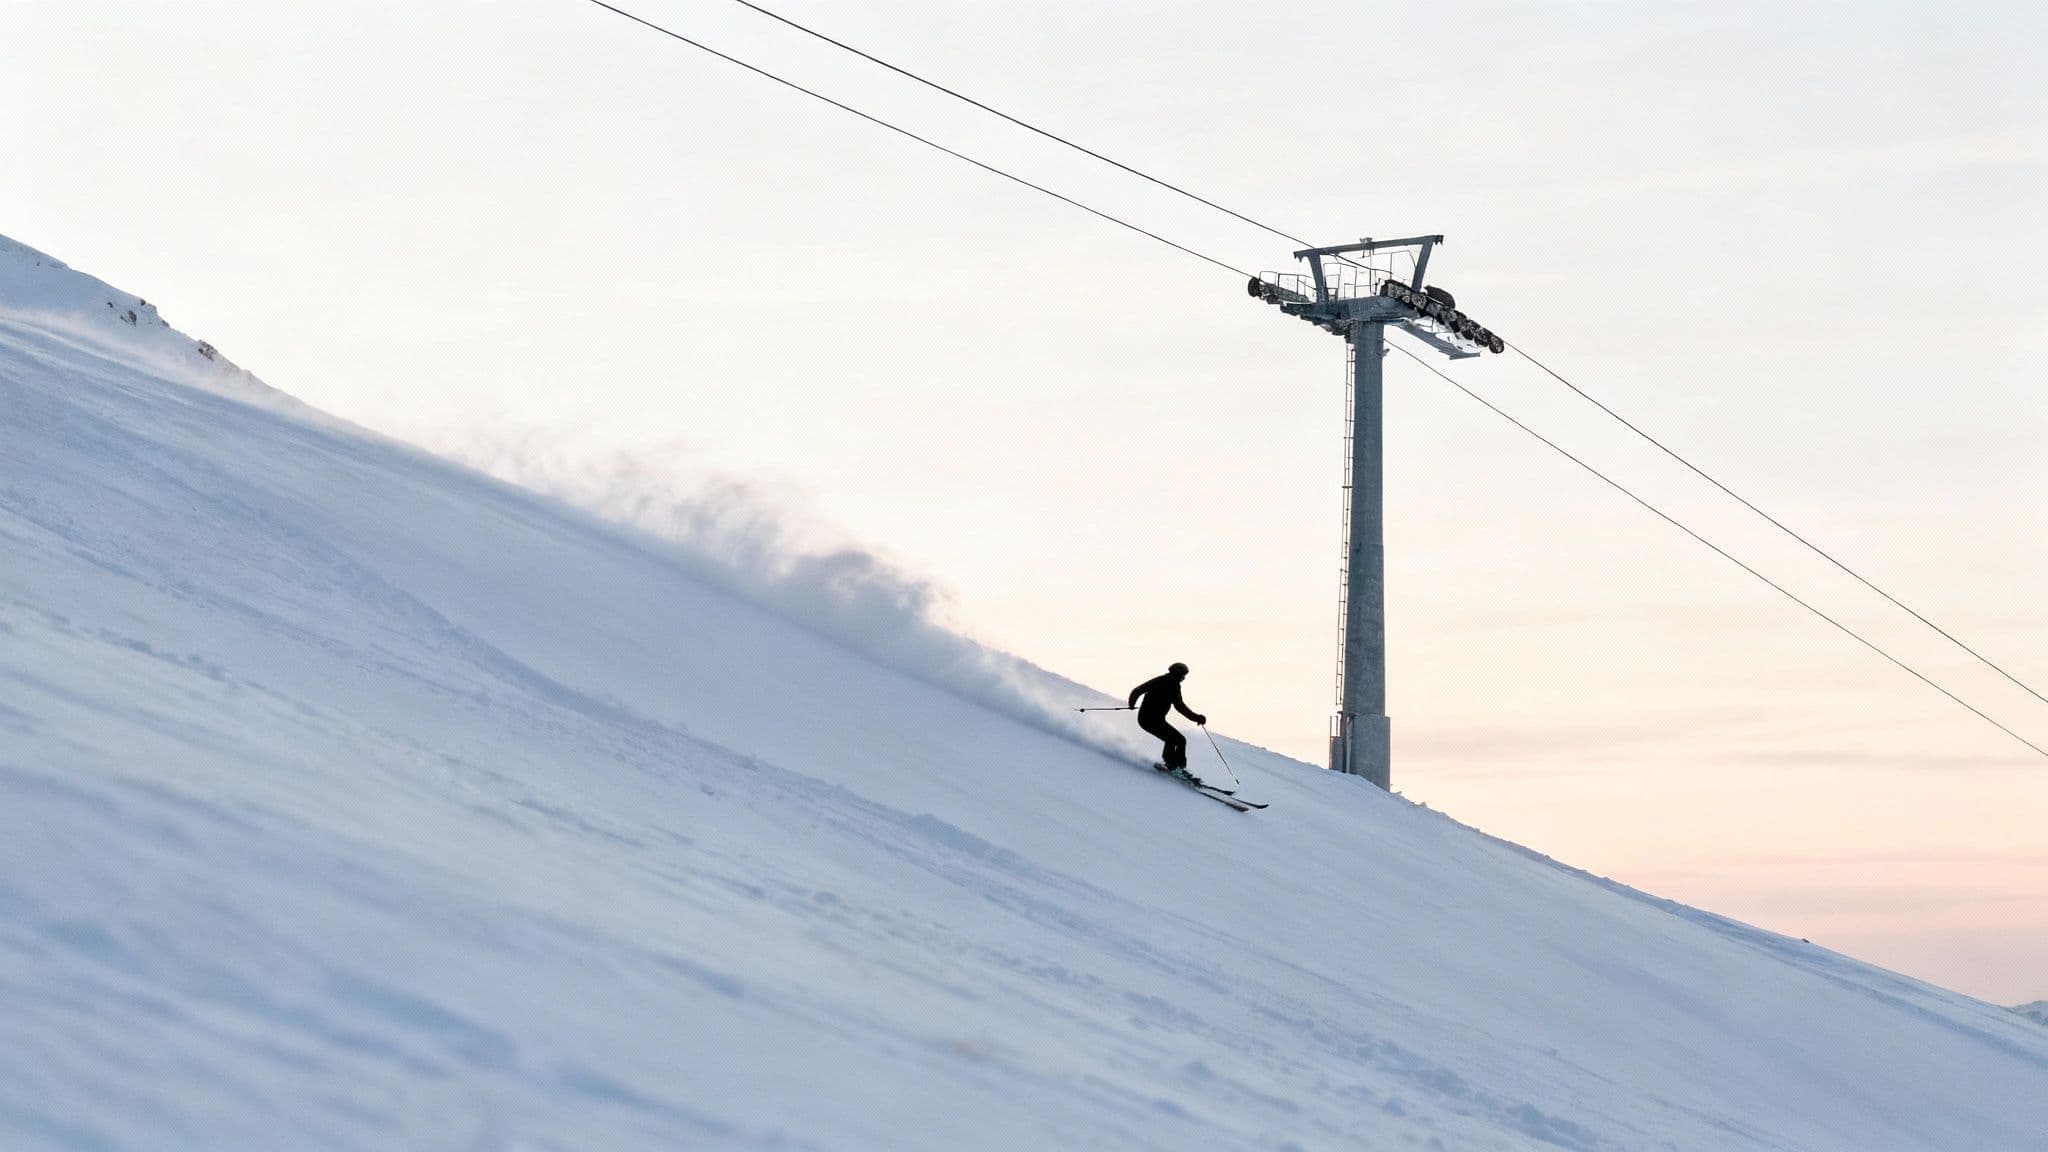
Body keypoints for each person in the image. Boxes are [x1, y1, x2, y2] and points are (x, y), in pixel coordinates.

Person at [1128, 662, 1206, 778]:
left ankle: (1174, 766)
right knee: (1178, 740)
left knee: (1175, 740)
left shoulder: (1161, 679)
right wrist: (1197, 717)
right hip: (1151, 720)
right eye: (1182, 675)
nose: (1183, 678)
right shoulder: (1173, 684)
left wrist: (1132, 704)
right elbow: (1180, 707)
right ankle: (1175, 767)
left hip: (1147, 719)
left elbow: (1137, 690)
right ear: (1177, 674)